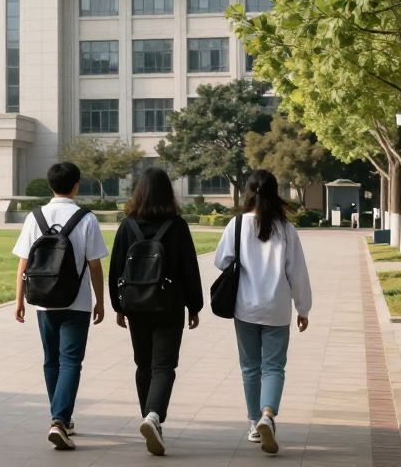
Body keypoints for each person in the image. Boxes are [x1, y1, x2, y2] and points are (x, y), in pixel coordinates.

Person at [214, 169, 312, 455]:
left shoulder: (237, 225)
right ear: (274, 192)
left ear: (248, 192)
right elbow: (298, 272)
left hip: (245, 306)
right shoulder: (286, 229)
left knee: (250, 367)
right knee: (274, 366)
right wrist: (302, 308)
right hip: (278, 308)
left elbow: (221, 261)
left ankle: (254, 423)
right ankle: (268, 415)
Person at [108, 167, 203, 456]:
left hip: (137, 305)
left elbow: (116, 269)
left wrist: (118, 305)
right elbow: (189, 268)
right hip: (169, 304)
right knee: (164, 366)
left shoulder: (127, 226)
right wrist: (194, 306)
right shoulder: (177, 226)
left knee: (144, 364)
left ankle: (149, 418)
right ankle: (153, 416)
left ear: (139, 192)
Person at [13, 161, 107, 451]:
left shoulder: (35, 217)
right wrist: (100, 301)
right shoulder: (86, 219)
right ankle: (60, 419)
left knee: (51, 360)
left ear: (50, 185)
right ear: (76, 185)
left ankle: (60, 417)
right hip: (76, 302)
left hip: (42, 300)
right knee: (70, 362)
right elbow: (95, 265)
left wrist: (19, 300)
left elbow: (23, 263)